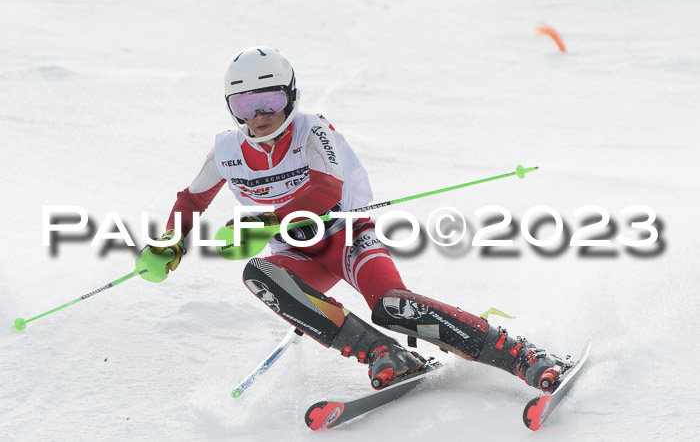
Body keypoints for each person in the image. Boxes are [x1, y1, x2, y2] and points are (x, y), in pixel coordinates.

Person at [149, 46, 567, 392]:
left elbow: (326, 190)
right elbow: (192, 199)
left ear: (291, 96)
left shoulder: (314, 132)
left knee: (391, 306)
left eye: (271, 100)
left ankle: (520, 354)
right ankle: (386, 353)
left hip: (347, 239)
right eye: (245, 104)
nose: (260, 114)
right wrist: (171, 241)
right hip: (300, 256)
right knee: (258, 273)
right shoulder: (227, 150)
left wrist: (266, 222)